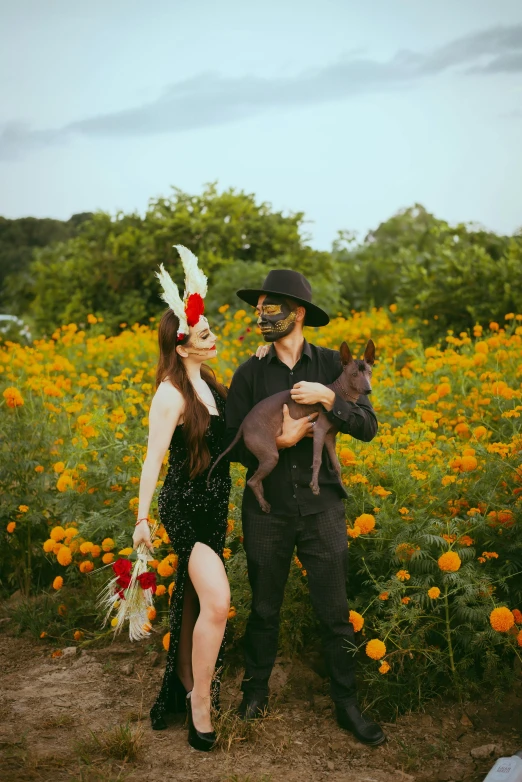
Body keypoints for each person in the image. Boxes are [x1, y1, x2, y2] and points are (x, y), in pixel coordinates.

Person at [225, 269, 385, 746]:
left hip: (323, 511)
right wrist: (281, 438)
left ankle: (347, 705)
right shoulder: (250, 372)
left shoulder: (331, 367)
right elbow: (232, 444)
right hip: (267, 511)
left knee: (335, 611)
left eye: (270, 306)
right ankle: (255, 694)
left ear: (297, 314)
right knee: (264, 608)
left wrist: (330, 398)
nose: (262, 315)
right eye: (258, 307)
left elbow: (368, 426)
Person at [132, 246, 231, 752]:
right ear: (184, 343)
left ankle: (181, 685)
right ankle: (200, 703)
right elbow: (154, 459)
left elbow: (234, 439)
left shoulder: (212, 382)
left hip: (218, 508)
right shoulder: (170, 393)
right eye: (206, 333)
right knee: (217, 600)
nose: (214, 337)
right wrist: (143, 516)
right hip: (186, 508)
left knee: (194, 602)